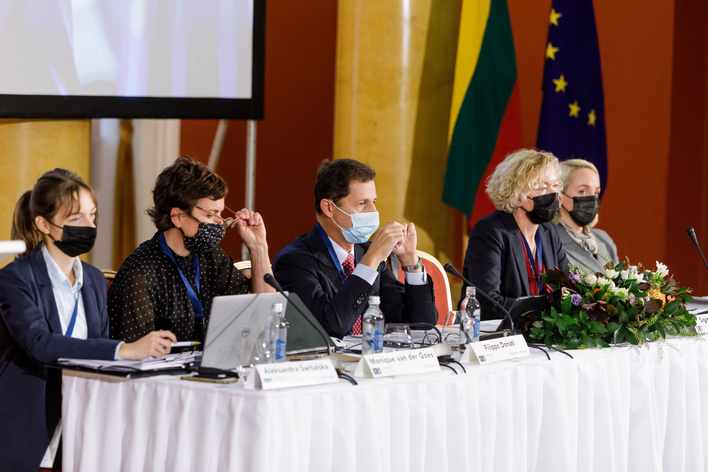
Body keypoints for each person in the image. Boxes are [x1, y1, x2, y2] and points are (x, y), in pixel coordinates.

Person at [0, 169, 175, 472]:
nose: (89, 226)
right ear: (44, 224)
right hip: (28, 421)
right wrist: (124, 349)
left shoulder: (93, 279)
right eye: (76, 218)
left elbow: (98, 343)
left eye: (92, 216)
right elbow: (40, 343)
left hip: (82, 420)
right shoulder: (15, 278)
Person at [108, 157, 274, 343]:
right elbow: (136, 351)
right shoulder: (140, 272)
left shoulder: (212, 257)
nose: (220, 222)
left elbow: (265, 316)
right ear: (177, 217)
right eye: (210, 215)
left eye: (220, 213)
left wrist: (258, 247)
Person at [273, 159, 437, 338]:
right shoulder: (294, 261)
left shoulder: (365, 252)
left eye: (373, 202)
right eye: (362, 203)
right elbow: (331, 326)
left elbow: (422, 324)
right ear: (329, 208)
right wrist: (370, 261)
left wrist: (410, 262)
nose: (373, 211)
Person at [462, 149, 569, 319]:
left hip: (542, 330)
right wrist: (545, 305)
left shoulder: (549, 232)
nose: (553, 194)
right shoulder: (490, 232)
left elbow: (567, 287)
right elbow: (488, 302)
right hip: (496, 331)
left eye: (555, 186)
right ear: (516, 193)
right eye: (542, 187)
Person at [556, 159, 618, 274]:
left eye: (596, 192)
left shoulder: (604, 239)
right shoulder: (550, 240)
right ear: (560, 196)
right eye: (582, 191)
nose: (592, 198)